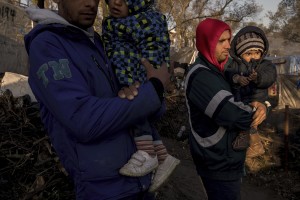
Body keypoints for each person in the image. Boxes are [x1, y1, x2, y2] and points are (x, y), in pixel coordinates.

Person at [24, 0, 171, 199]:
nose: (91, 4)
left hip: (140, 180)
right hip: (104, 190)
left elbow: (144, 108)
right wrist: (154, 89)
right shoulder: (48, 45)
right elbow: (83, 119)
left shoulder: (100, 43)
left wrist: (145, 92)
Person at [184, 18, 268, 200]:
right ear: (207, 42)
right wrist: (256, 112)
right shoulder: (201, 76)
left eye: (229, 40)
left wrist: (260, 103)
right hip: (217, 161)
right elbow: (231, 114)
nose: (228, 46)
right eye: (221, 41)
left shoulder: (217, 71)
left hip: (226, 159)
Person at [102, 0, 179, 191]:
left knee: (136, 110)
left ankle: (147, 153)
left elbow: (155, 49)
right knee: (138, 113)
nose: (115, 3)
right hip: (125, 75)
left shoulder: (148, 21)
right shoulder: (113, 22)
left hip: (137, 76)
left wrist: (148, 80)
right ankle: (162, 157)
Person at [225, 26, 277, 158]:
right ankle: (246, 141)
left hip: (257, 99)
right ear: (240, 54)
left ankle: (254, 145)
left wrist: (258, 77)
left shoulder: (265, 65)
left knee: (251, 120)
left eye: (257, 53)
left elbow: (270, 77)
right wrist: (236, 78)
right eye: (248, 54)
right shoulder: (235, 65)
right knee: (243, 120)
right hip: (239, 100)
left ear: (262, 52)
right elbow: (228, 73)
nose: (254, 57)